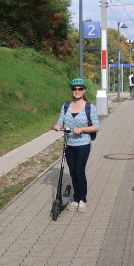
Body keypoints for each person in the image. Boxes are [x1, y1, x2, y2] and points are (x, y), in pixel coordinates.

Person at [53, 78, 99, 213]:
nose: (77, 91)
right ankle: (75, 199)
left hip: (83, 144)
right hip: (69, 144)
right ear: (72, 90)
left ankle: (82, 200)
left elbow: (96, 126)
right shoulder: (66, 106)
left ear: (84, 90)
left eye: (80, 89)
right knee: (73, 172)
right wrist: (57, 126)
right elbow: (60, 121)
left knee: (79, 172)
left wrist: (83, 129)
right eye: (74, 89)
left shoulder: (90, 107)